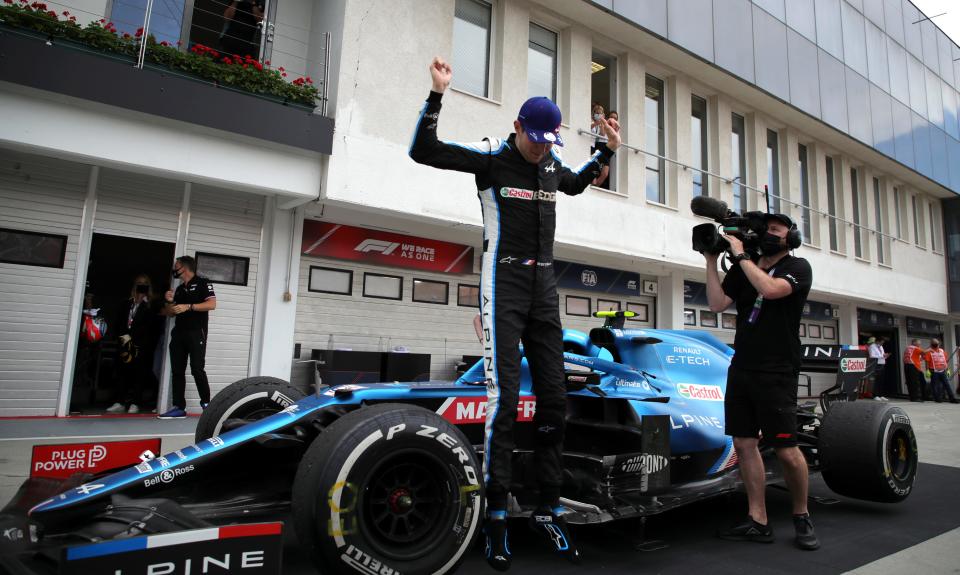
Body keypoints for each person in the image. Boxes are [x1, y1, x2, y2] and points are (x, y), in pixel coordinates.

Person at [409, 56, 620, 570]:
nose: (542, 148)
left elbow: (575, 183)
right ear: (517, 127)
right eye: (535, 139)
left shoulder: (550, 164)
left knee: (553, 398)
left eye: (550, 142)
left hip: (544, 285)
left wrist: (605, 150)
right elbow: (424, 151)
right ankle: (496, 513)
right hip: (501, 283)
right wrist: (437, 95)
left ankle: (548, 506)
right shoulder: (489, 159)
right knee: (503, 401)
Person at [705, 213, 820, 551]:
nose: (768, 234)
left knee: (785, 449)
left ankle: (801, 514)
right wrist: (712, 261)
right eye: (765, 229)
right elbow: (716, 303)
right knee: (743, 444)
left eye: (775, 230)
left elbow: (769, 290)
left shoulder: (798, 268)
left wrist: (740, 255)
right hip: (742, 366)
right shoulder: (747, 267)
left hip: (778, 369)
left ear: (791, 237)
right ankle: (758, 520)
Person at [159, 256, 217, 419]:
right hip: (179, 333)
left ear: (184, 267)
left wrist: (189, 306)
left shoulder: (203, 283)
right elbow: (170, 313)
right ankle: (178, 407)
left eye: (176, 266)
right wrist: (169, 301)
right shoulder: (178, 289)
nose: (174, 269)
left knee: (197, 369)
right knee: (177, 370)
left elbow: (212, 304)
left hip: (196, 332)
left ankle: (207, 405)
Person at [106, 274, 162, 414]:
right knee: (122, 372)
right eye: (139, 283)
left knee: (139, 374)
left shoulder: (151, 304)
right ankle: (120, 401)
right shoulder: (127, 303)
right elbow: (119, 322)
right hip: (125, 340)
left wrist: (148, 344)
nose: (141, 286)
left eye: (144, 283)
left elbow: (154, 326)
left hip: (142, 344)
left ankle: (135, 402)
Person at [924, 339, 959, 404]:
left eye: (936, 343)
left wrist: (948, 369)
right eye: (934, 343)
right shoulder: (929, 352)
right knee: (935, 385)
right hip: (934, 371)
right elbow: (927, 362)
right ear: (931, 344)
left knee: (947, 385)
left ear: (939, 344)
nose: (936, 345)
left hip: (943, 371)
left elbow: (945, 361)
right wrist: (927, 370)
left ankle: (952, 398)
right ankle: (937, 398)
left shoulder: (942, 351)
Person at [590, 103, 610, 187]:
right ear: (593, 114)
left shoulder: (603, 123)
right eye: (596, 113)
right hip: (591, 146)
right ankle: (593, 184)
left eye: (600, 113)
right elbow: (589, 126)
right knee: (593, 168)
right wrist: (596, 123)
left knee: (604, 172)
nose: (598, 115)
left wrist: (602, 123)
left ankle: (596, 186)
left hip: (599, 146)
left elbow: (602, 134)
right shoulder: (590, 121)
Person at [867, 336, 891, 400]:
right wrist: (882, 356)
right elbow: (872, 355)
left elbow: (882, 355)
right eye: (881, 342)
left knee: (881, 380)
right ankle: (875, 395)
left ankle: (881, 395)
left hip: (882, 363)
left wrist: (885, 356)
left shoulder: (881, 347)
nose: (882, 344)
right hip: (876, 365)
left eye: (882, 343)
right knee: (876, 380)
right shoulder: (872, 346)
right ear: (877, 341)